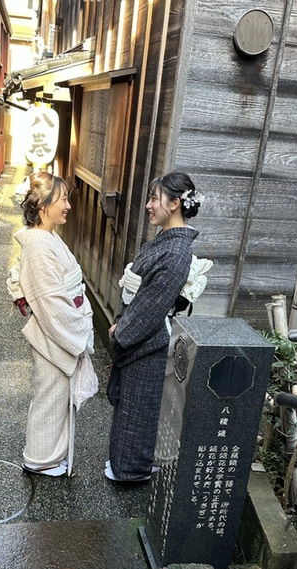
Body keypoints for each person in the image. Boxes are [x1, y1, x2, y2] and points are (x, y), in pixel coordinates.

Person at [106, 171, 203, 482]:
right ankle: (126, 464)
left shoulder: (176, 251)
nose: (149, 205)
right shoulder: (166, 241)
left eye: (154, 198)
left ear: (175, 203)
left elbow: (153, 304)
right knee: (133, 407)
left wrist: (121, 332)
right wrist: (122, 321)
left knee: (139, 408)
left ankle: (131, 470)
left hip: (148, 341)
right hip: (141, 331)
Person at [8, 172, 97, 477]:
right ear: (43, 205)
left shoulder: (47, 238)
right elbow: (50, 301)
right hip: (53, 331)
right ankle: (40, 458)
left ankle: (48, 455)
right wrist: (80, 331)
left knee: (56, 394)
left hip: (58, 328)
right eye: (63, 199)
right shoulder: (40, 245)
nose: (68, 205)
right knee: (50, 394)